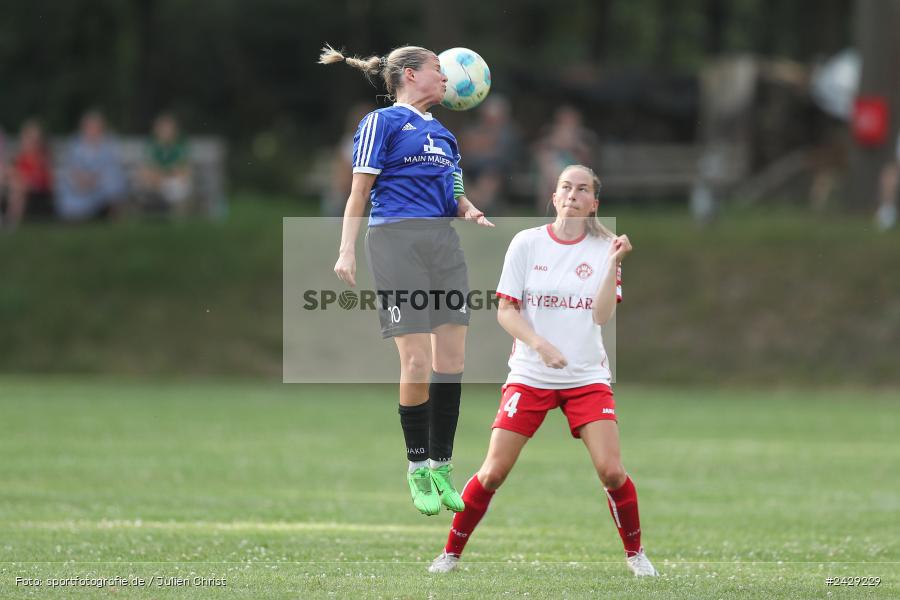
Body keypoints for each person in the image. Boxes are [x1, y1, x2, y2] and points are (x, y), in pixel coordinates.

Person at [428, 165, 659, 577]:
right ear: (553, 197)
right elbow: (506, 311)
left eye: (582, 189)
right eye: (565, 187)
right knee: (493, 471)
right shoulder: (526, 243)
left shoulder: (607, 248)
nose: (572, 194)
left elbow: (602, 315)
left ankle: (636, 556)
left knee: (611, 471)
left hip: (586, 378)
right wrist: (540, 345)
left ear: (594, 203)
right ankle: (449, 554)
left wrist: (613, 263)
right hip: (530, 376)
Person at [320, 44, 494, 517]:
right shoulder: (382, 123)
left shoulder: (445, 136)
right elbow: (359, 192)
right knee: (416, 364)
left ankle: (442, 464)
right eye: (439, 70)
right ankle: (417, 466)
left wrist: (468, 208)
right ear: (411, 75)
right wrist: (345, 251)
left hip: (443, 246)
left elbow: (454, 189)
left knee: (452, 362)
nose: (446, 79)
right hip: (396, 242)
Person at [56, 110, 126, 221]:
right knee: (67, 191)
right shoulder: (75, 144)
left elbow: (112, 170)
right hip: (78, 185)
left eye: (96, 127)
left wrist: (94, 179)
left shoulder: (109, 145)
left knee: (113, 185)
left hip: (99, 186)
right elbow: (69, 168)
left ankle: (105, 213)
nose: (92, 130)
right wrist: (80, 178)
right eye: (89, 127)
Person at [136, 113, 193, 216]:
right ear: (157, 130)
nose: (166, 132)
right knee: (146, 181)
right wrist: (167, 173)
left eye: (169, 129)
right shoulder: (151, 147)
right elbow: (146, 171)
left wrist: (163, 174)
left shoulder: (180, 146)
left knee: (180, 187)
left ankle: (171, 214)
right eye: (163, 129)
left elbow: (184, 171)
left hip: (171, 183)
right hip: (157, 184)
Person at [4, 120, 54, 230]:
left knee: (17, 187)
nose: (27, 142)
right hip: (20, 184)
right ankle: (9, 221)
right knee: (13, 183)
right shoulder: (21, 155)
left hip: (38, 187)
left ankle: (11, 222)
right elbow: (13, 170)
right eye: (26, 138)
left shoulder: (41, 157)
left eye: (32, 140)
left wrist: (16, 176)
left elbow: (39, 178)